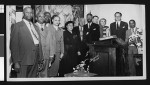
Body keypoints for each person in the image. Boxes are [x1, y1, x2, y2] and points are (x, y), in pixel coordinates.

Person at [10, 7, 43, 78]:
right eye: (27, 12)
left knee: (32, 80)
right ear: (23, 14)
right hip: (23, 61)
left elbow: (39, 44)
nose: (29, 14)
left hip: (35, 59)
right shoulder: (17, 26)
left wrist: (40, 60)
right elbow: (14, 45)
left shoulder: (35, 27)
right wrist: (15, 62)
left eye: (31, 12)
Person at [34, 11, 53, 77]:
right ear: (36, 18)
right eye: (40, 16)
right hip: (37, 55)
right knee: (37, 75)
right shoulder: (33, 27)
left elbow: (51, 42)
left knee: (45, 75)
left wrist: (51, 55)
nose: (42, 18)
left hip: (46, 55)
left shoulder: (48, 28)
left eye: (43, 16)